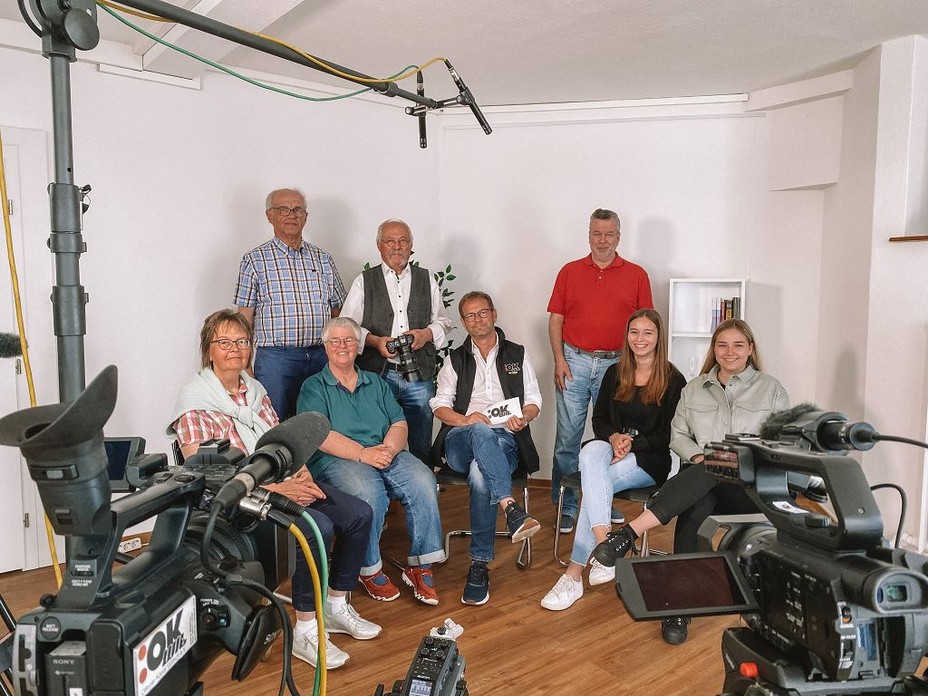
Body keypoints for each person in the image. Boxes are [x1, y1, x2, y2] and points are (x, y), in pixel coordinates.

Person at [166, 309, 378, 670]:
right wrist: (278, 489)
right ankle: (306, 631)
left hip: (284, 484)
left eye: (242, 341)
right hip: (240, 501)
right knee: (318, 527)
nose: (235, 348)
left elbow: (285, 442)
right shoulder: (194, 402)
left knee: (359, 514)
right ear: (209, 350)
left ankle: (335, 605)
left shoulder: (255, 390)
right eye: (225, 342)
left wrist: (303, 476)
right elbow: (212, 476)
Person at [591, 318, 789, 645]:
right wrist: (699, 458)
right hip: (700, 479)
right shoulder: (695, 388)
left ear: (750, 349)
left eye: (738, 345)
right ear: (714, 349)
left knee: (718, 462)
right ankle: (679, 606)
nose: (729, 352)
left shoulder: (772, 389)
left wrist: (727, 460)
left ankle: (627, 534)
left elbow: (780, 442)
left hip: (748, 486)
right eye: (722, 345)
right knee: (695, 507)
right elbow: (678, 434)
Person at [540, 309, 686, 611]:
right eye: (634, 332)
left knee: (594, 483)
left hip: (649, 460)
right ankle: (605, 543)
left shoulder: (674, 380)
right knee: (589, 453)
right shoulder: (615, 372)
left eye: (647, 332)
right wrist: (614, 437)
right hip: (612, 449)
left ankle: (573, 574)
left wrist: (633, 444)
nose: (640, 338)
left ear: (658, 337)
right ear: (627, 336)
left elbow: (671, 435)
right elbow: (600, 420)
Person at [296, 317, 446, 605]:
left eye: (349, 340)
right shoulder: (313, 386)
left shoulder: (375, 381)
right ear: (325, 347)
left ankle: (421, 564)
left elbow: (399, 421)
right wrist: (364, 454)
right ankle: (369, 568)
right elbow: (320, 435)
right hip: (337, 459)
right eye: (335, 341)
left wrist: (388, 449)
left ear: (358, 346)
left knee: (423, 480)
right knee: (368, 492)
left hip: (383, 451)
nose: (342, 346)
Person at [429, 291, 542, 606]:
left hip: (505, 438)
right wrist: (466, 420)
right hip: (461, 439)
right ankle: (511, 507)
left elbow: (534, 399)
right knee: (479, 429)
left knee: (481, 475)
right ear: (464, 321)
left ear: (494, 313)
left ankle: (479, 565)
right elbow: (439, 405)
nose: (477, 319)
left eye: (482, 312)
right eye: (470, 315)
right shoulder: (455, 359)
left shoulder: (517, 353)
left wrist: (524, 417)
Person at [547, 208, 653, 534]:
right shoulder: (569, 272)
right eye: (597, 234)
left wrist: (638, 370)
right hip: (574, 361)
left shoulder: (637, 275)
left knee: (611, 438)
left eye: (608, 234)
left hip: (618, 366)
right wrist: (559, 360)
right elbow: (556, 320)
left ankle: (602, 501)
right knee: (568, 440)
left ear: (618, 237)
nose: (602, 240)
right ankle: (566, 507)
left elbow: (646, 325)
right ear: (589, 235)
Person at [340, 219, 453, 465]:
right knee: (376, 435)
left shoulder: (426, 278)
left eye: (403, 241)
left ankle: (424, 480)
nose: (397, 246)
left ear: (411, 245)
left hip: (419, 373)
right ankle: (384, 484)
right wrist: (374, 341)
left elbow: (444, 322)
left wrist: (425, 334)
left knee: (421, 437)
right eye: (390, 241)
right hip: (378, 374)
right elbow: (346, 327)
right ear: (379, 246)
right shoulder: (364, 281)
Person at [234, 188, 347, 421]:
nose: (291, 215)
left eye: (297, 210)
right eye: (283, 209)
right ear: (270, 215)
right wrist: (245, 365)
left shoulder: (323, 259)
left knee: (323, 423)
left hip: (320, 356)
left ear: (306, 216)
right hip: (276, 361)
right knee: (275, 424)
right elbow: (244, 319)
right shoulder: (254, 260)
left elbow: (338, 311)